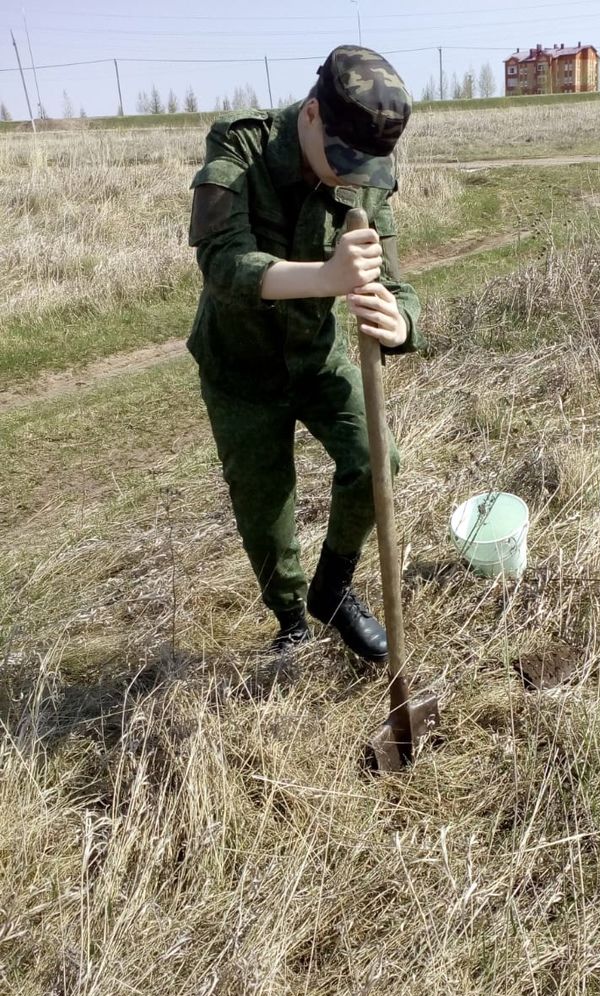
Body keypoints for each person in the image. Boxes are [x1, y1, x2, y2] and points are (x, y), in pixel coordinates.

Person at [187, 46, 425, 662]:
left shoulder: (363, 170)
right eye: (343, 160)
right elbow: (221, 260)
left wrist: (399, 322)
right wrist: (326, 276)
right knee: (266, 510)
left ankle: (334, 589)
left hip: (315, 357)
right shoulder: (240, 148)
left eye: (364, 168)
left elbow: (395, 281)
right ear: (313, 113)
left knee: (377, 460)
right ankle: (290, 618)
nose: (352, 179)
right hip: (241, 368)